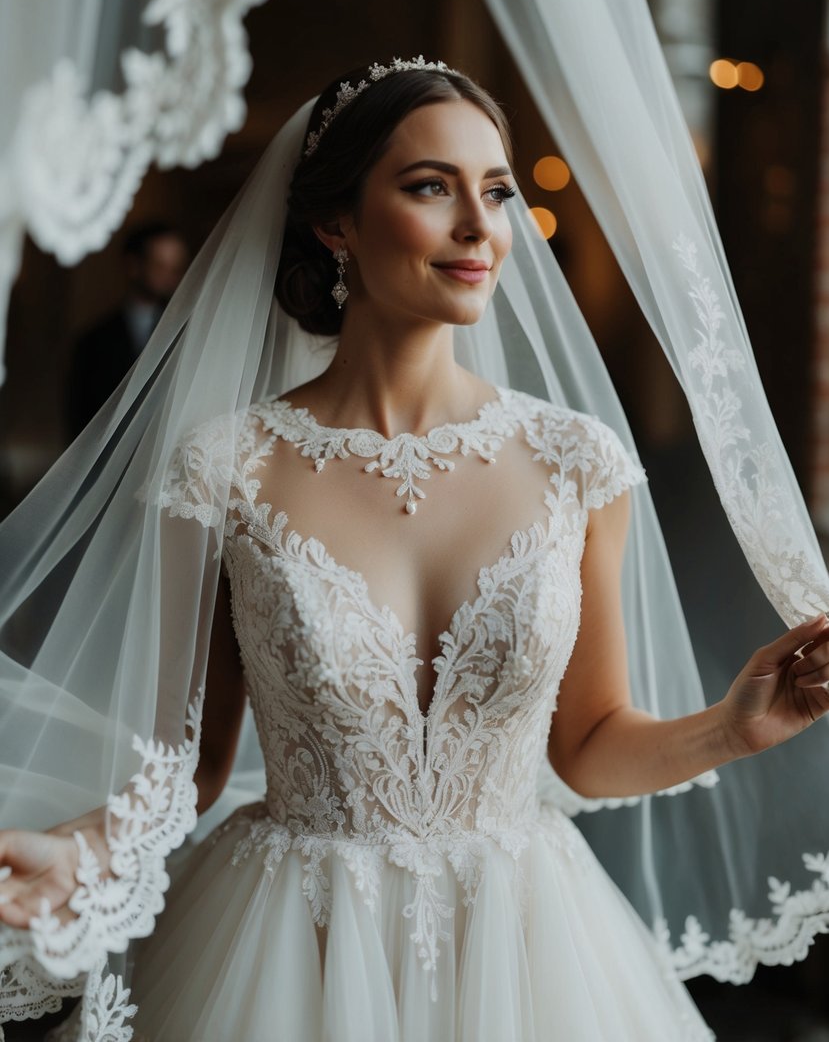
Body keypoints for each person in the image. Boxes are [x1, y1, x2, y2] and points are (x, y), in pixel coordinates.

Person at [0, 61, 828, 1041]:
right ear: (333, 221)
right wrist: (83, 851)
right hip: (288, 949)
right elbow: (192, 766)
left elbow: (587, 744)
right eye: (431, 187)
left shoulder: (575, 461)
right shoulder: (225, 467)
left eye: (497, 191)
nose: (480, 227)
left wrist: (731, 728)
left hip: (527, 952)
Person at [66, 223, 190, 439]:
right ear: (134, 265)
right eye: (160, 266)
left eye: (176, 268)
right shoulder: (94, 340)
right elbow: (80, 418)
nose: (170, 277)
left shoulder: (188, 331)